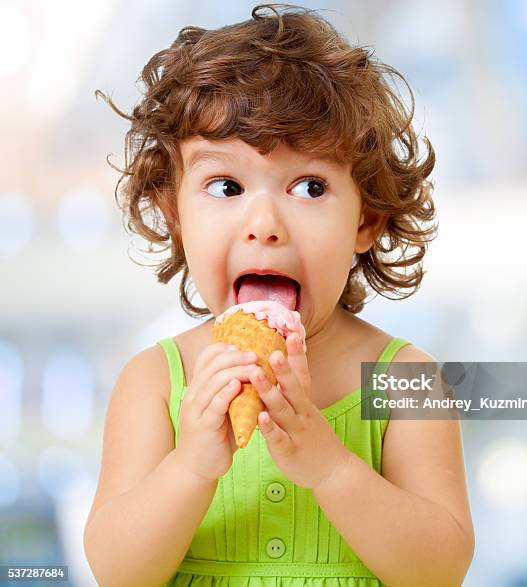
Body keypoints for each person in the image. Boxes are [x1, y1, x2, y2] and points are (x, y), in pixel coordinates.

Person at [83, 4, 474, 585]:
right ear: (175, 213)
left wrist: (330, 467)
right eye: (226, 185)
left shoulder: (407, 379)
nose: (263, 222)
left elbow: (441, 568)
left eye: (309, 186)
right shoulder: (155, 381)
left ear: (366, 220)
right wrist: (191, 466)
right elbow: (117, 570)